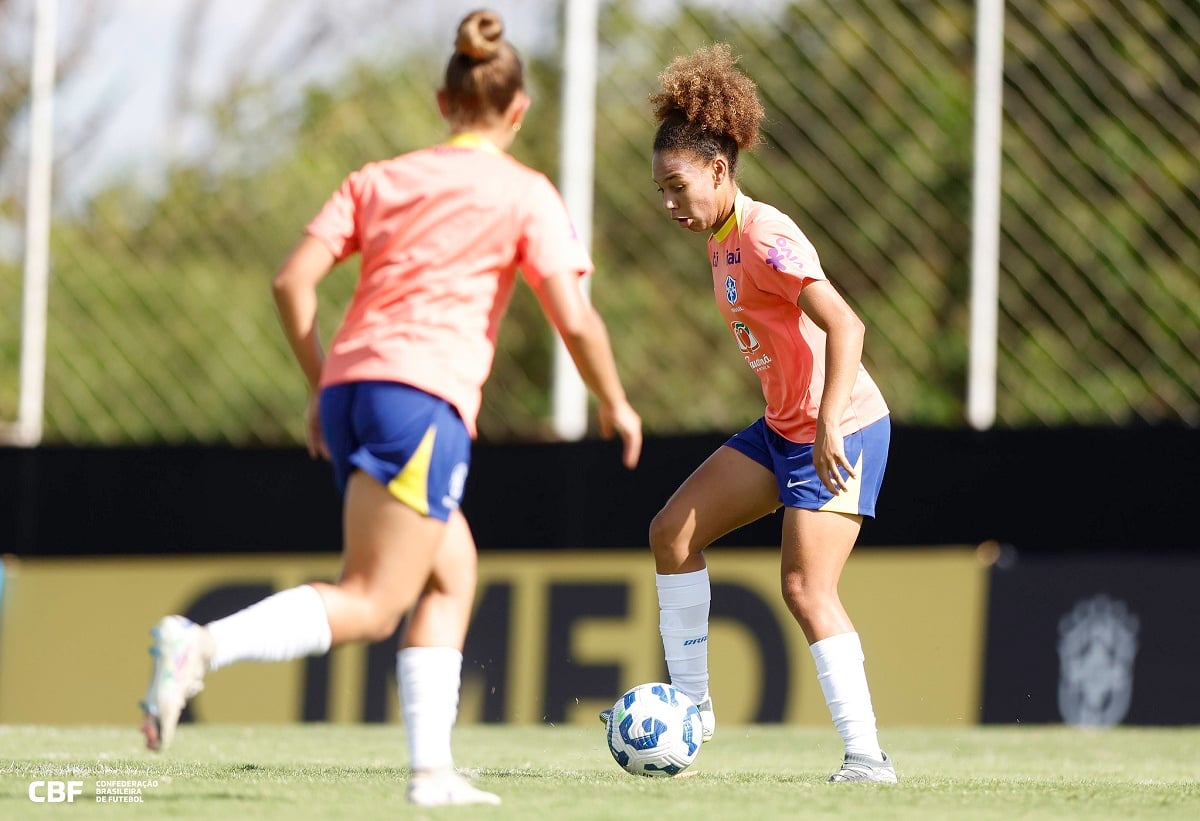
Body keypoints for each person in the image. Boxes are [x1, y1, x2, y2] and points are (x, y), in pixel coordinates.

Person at [138, 9, 642, 808]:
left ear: (443, 103)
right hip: (422, 398)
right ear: (518, 112)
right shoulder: (524, 192)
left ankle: (432, 773)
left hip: (350, 390)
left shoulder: (380, 178)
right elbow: (573, 316)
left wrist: (319, 382)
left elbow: (290, 282)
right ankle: (200, 646)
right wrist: (615, 400)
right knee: (373, 601)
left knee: (453, 569)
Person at [602, 43, 896, 784]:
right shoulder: (719, 236)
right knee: (671, 533)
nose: (669, 203)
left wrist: (828, 422)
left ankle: (867, 757)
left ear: (720, 172)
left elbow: (848, 326)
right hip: (784, 428)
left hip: (842, 427)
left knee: (804, 588)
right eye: (660, 189)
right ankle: (692, 716)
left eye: (678, 186)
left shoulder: (765, 233)